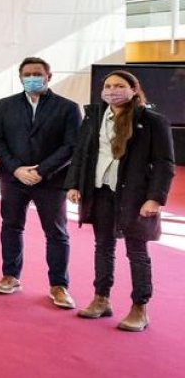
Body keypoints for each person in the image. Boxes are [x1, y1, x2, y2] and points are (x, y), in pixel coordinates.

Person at [67, 70, 175, 332]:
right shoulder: (94, 118)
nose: (113, 90)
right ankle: (101, 298)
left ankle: (140, 307)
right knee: (103, 247)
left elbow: (164, 163)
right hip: (100, 192)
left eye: (119, 86)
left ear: (134, 90)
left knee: (136, 252)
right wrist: (73, 184)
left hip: (135, 196)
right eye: (108, 86)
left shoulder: (152, 121)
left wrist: (155, 199)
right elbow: (81, 153)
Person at [0, 57, 81, 308]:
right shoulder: (5, 105)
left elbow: (72, 145)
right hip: (13, 178)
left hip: (51, 180)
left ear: (48, 76)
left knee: (56, 233)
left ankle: (59, 285)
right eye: (27, 74)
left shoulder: (68, 108)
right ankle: (10, 276)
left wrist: (41, 170)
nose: (32, 77)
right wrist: (17, 168)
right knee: (11, 227)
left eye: (37, 73)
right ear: (20, 77)